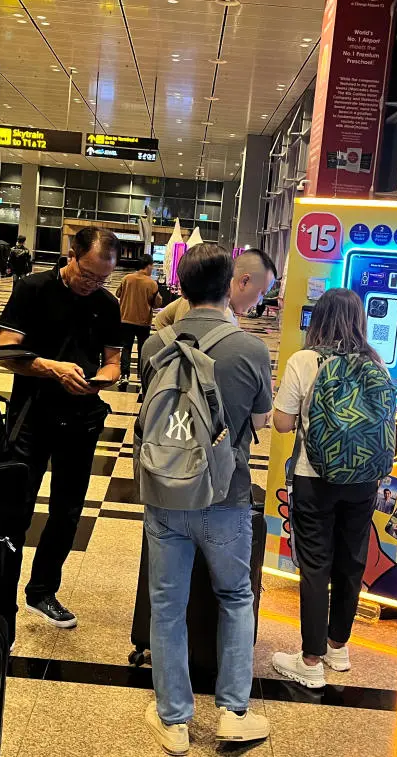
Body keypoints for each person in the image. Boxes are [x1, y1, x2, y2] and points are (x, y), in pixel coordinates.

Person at [139, 244, 272, 754]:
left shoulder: (155, 346)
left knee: (167, 604)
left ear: (180, 283)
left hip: (165, 490)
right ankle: (233, 713)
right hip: (226, 493)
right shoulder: (250, 350)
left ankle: (174, 721)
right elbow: (260, 422)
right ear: (230, 284)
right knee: (236, 597)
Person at [0, 227, 122, 632]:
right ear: (72, 255)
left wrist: (101, 378)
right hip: (30, 417)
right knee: (16, 509)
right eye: (88, 274)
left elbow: (114, 362)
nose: (93, 284)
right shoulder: (32, 289)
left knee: (67, 512)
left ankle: (42, 591)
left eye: (103, 278)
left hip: (81, 420)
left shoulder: (106, 303)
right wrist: (51, 369)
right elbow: (5, 352)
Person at [270, 288, 389, 689]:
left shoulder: (305, 361)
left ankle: (309, 660)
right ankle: (338, 647)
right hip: (363, 480)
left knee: (316, 565)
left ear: (317, 319)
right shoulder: (377, 364)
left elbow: (283, 424)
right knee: (352, 561)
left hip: (314, 476)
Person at [152, 248, 276, 330]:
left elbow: (160, 319)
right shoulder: (223, 316)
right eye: (261, 293)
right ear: (244, 281)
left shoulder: (196, 297)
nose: (260, 301)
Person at [115, 254, 162, 390]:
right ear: (147, 266)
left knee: (126, 348)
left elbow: (118, 294)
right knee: (143, 349)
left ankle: (124, 375)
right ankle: (141, 375)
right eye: (151, 266)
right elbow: (156, 304)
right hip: (143, 322)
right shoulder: (151, 283)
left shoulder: (126, 279)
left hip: (125, 319)